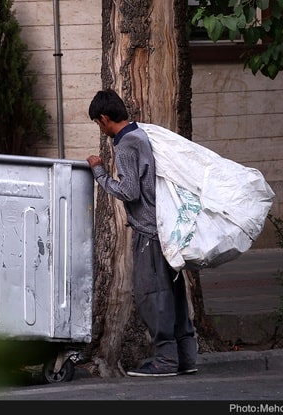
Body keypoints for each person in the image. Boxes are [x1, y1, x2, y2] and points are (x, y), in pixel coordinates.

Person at [86, 89, 197, 377]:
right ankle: (186, 358)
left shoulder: (125, 145)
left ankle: (166, 362)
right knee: (173, 294)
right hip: (165, 228)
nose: (101, 129)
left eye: (99, 124)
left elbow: (129, 191)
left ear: (104, 118)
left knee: (153, 295)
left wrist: (100, 173)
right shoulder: (142, 134)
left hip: (149, 232)